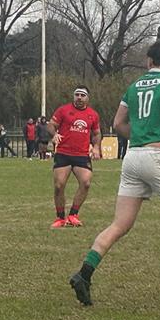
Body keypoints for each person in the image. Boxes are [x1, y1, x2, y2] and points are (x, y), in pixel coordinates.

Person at [68, 39, 160, 306]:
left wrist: (140, 137)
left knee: (120, 225)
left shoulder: (134, 86)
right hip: (157, 157)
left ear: (149, 61)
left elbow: (118, 123)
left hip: (132, 157)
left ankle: (84, 274)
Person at [49, 87, 102, 228]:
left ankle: (73, 215)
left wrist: (96, 147)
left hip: (82, 155)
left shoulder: (93, 114)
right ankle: (60, 218)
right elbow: (51, 125)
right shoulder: (63, 110)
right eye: (77, 94)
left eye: (82, 95)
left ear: (87, 98)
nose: (79, 97)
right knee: (59, 185)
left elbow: (96, 133)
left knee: (86, 183)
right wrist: (54, 135)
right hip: (63, 153)